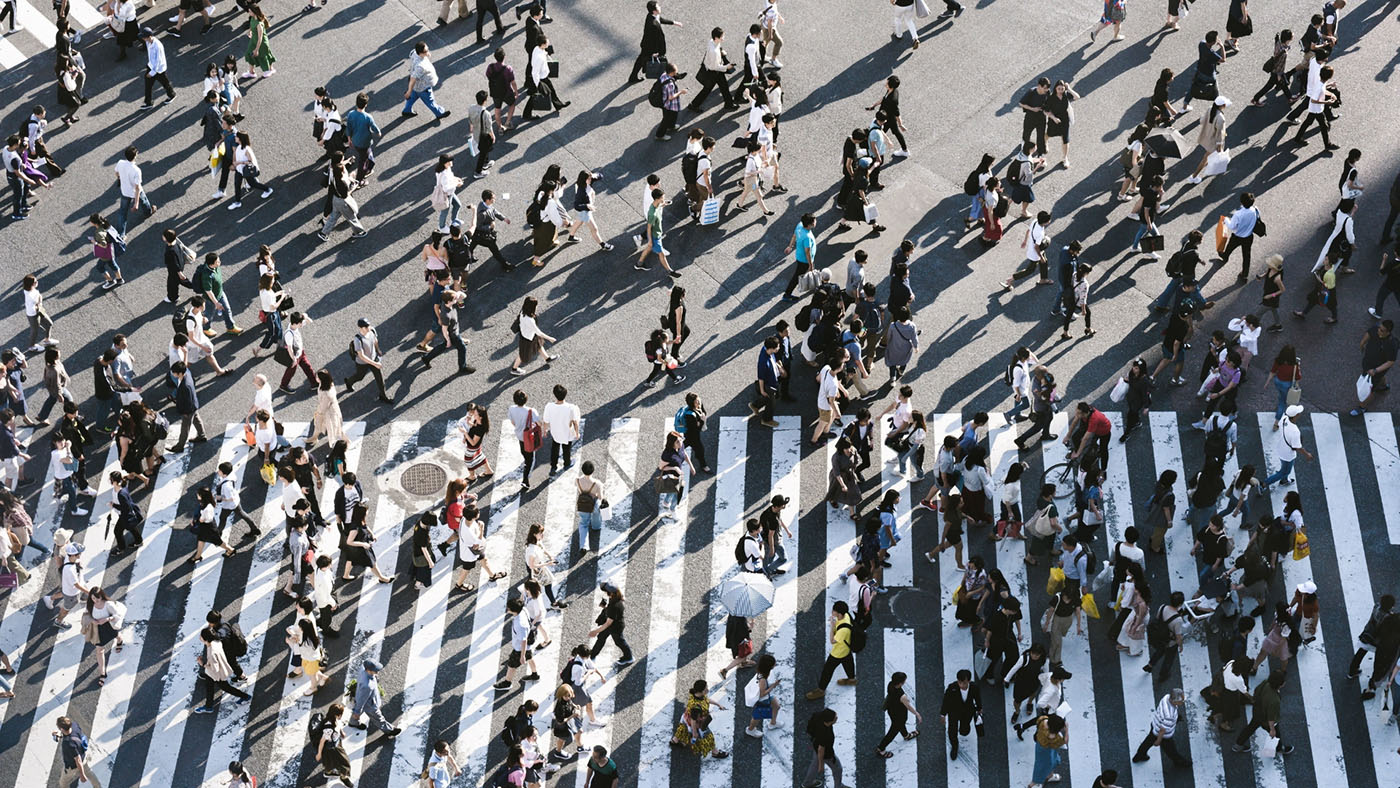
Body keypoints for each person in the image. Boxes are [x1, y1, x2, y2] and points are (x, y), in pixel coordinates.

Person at [1232, 670, 1294, 755]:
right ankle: (1279, 748)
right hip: (1265, 720)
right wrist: (1272, 729)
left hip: (1257, 711)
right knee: (1276, 735)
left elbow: (1256, 690)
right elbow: (1271, 716)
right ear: (1281, 684)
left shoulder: (1266, 683)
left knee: (1250, 727)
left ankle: (1238, 745)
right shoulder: (1274, 700)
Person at [805, 600, 857, 699]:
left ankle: (821, 690)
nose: (832, 612)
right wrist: (835, 621)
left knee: (827, 671)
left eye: (834, 611)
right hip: (846, 649)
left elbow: (832, 641)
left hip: (838, 653)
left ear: (839, 614)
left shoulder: (843, 630)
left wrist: (832, 626)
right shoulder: (846, 616)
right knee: (848, 663)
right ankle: (851, 679)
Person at [193, 625, 250, 712]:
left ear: (206, 639)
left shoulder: (212, 652)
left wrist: (203, 664)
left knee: (225, 687)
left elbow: (214, 669)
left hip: (217, 674)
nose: (199, 637)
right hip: (218, 669)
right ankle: (208, 706)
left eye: (201, 636)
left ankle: (245, 697)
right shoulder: (216, 642)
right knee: (209, 685)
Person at [669, 679, 728, 758]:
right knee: (709, 736)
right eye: (705, 689)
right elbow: (693, 721)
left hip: (686, 718)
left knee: (683, 729)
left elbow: (706, 700)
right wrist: (694, 733)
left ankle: (675, 740)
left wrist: (718, 704)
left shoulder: (695, 695)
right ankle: (715, 752)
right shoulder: (696, 707)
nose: (707, 689)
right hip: (697, 724)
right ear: (700, 691)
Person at [1131, 689, 1192, 765]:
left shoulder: (1166, 697)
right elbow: (1163, 730)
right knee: (1171, 750)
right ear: (1174, 701)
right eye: (1181, 701)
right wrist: (1158, 741)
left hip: (1155, 724)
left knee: (1148, 741)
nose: (1182, 702)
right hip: (1164, 735)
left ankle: (1139, 755)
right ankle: (1178, 762)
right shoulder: (1169, 715)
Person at [1350, 319, 1397, 416]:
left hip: (1376, 369)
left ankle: (1362, 407)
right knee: (1379, 379)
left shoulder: (1391, 344)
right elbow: (1368, 334)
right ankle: (1383, 386)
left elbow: (1391, 362)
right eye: (1379, 328)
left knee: (1370, 389)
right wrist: (1362, 343)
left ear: (1388, 332)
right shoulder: (1375, 330)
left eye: (1382, 330)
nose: (1378, 330)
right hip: (1368, 364)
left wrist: (1376, 370)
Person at [628, 1, 682, 84]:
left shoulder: (651, 16)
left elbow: (660, 19)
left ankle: (632, 77)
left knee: (640, 60)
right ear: (654, 11)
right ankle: (673, 76)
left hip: (646, 45)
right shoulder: (653, 25)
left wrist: (674, 23)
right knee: (662, 62)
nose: (660, 7)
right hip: (650, 48)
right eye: (658, 7)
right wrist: (657, 52)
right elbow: (656, 40)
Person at [348, 658, 402, 736]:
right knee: (378, 718)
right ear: (368, 670)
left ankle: (353, 722)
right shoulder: (367, 686)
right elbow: (361, 700)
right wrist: (357, 712)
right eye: (375, 670)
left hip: (365, 698)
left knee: (359, 711)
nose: (377, 671)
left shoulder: (363, 669)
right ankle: (389, 730)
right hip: (370, 704)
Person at [939, 669, 982, 761]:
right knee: (952, 731)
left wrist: (979, 708)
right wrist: (943, 714)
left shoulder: (974, 687)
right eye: (960, 682)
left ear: (969, 681)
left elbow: (977, 698)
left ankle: (964, 729)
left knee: (964, 731)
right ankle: (955, 747)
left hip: (967, 712)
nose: (961, 685)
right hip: (953, 712)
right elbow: (946, 701)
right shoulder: (952, 687)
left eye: (964, 683)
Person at [402, 41, 448, 120]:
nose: (428, 52)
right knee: (430, 101)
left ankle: (407, 110)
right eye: (426, 51)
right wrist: (408, 91)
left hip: (416, 86)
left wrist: (409, 91)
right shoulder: (420, 66)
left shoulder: (414, 52)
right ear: (420, 53)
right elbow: (413, 79)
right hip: (423, 86)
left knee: (412, 97)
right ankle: (439, 113)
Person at [800, 708, 846, 788]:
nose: (836, 718)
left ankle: (807, 783)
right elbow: (821, 750)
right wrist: (821, 765)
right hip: (826, 754)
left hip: (816, 745)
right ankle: (838, 786)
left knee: (814, 765)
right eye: (835, 718)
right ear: (828, 722)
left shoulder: (817, 716)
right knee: (838, 769)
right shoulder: (825, 734)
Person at [242, 4, 276, 78]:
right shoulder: (252, 18)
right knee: (249, 53)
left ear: (254, 12)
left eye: (250, 11)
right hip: (253, 40)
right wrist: (249, 31)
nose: (248, 12)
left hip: (261, 43)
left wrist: (257, 50)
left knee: (263, 56)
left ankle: (268, 70)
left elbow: (260, 38)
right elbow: (251, 25)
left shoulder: (259, 24)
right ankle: (251, 72)